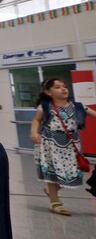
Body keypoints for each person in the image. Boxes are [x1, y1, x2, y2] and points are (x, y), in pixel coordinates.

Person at [31, 77, 96, 216]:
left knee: (71, 172)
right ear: (49, 92)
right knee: (53, 172)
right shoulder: (45, 106)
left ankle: (51, 191)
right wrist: (34, 133)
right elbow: (37, 120)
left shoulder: (78, 106)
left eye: (64, 86)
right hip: (50, 142)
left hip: (71, 144)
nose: (63, 89)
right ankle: (55, 203)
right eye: (58, 87)